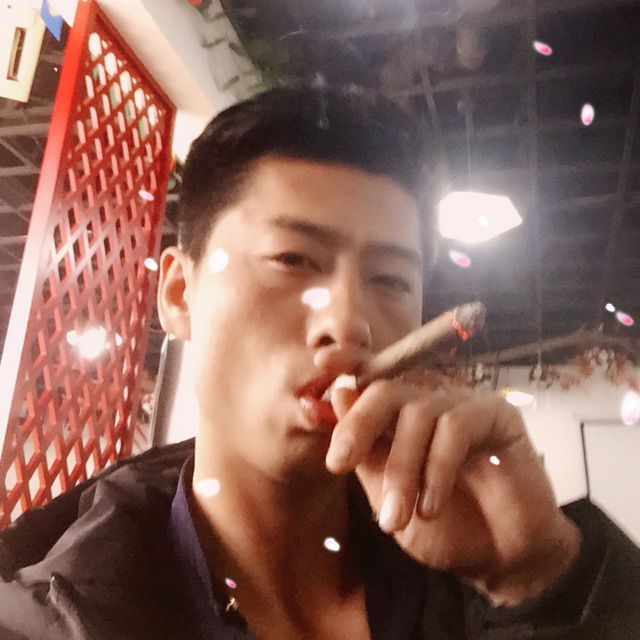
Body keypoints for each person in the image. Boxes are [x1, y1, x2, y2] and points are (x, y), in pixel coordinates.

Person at [0, 87, 639, 640]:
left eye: (391, 280)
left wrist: (543, 580)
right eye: (293, 259)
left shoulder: (470, 579)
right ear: (179, 293)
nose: (350, 322)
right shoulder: (49, 619)